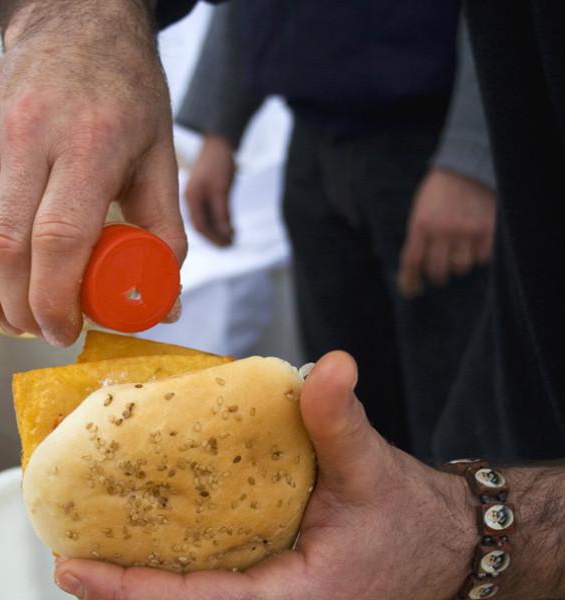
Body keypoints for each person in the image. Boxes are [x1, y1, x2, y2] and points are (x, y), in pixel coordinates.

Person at [0, 0, 565, 600]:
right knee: (346, 389)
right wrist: (81, 27)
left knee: (413, 380)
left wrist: (467, 534)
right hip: (519, 430)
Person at [176, 3, 495, 458]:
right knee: (344, 409)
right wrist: (220, 127)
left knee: (457, 422)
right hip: (313, 141)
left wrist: (473, 157)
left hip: (432, 148)